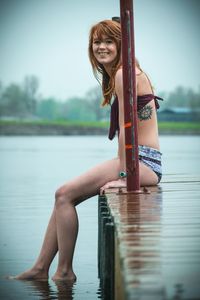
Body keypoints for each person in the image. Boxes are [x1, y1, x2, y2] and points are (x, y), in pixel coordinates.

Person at [10, 19, 162, 281]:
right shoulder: (129, 71)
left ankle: (64, 272)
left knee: (63, 194)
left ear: (121, 44)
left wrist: (125, 177)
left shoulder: (124, 74)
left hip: (141, 163)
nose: (101, 47)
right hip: (143, 159)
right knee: (63, 197)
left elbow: (127, 130)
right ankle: (40, 269)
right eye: (96, 42)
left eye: (108, 41)